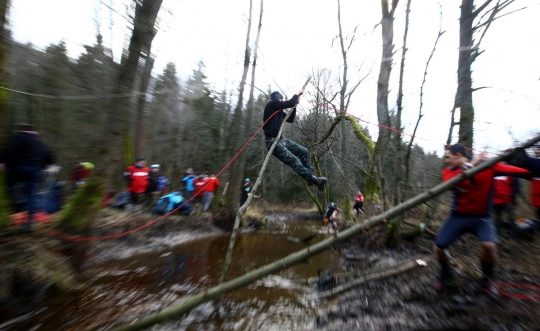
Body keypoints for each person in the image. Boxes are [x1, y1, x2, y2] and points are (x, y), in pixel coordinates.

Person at [434, 144, 530, 295]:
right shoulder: (448, 171)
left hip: (481, 218)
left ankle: (487, 278)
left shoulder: (488, 166)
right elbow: (452, 182)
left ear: (458, 154)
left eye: (448, 157)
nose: (446, 160)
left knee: (489, 247)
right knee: (439, 247)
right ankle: (446, 273)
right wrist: (471, 164)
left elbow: (519, 171)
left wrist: (524, 162)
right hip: (458, 217)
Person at [263, 89, 327, 189]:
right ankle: (313, 179)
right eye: (280, 99)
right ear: (276, 97)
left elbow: (290, 119)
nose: (281, 101)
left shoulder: (278, 111)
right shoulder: (271, 105)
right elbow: (290, 102)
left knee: (304, 151)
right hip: (271, 142)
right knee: (294, 160)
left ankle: (311, 178)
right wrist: (297, 94)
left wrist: (295, 105)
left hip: (280, 140)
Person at [0, 124, 54, 231]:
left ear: (22, 130)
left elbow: (10, 149)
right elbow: (49, 156)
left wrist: (2, 162)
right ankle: (29, 222)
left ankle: (13, 205)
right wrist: (41, 166)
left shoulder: (19, 137)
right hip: (33, 170)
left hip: (17, 168)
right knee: (31, 195)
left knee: (10, 185)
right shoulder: (39, 143)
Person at [492, 174, 519, 241]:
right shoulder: (492, 171)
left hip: (508, 200)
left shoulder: (510, 171)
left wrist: (512, 197)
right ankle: (499, 236)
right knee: (497, 219)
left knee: (511, 218)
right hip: (495, 200)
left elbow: (516, 185)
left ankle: (513, 237)